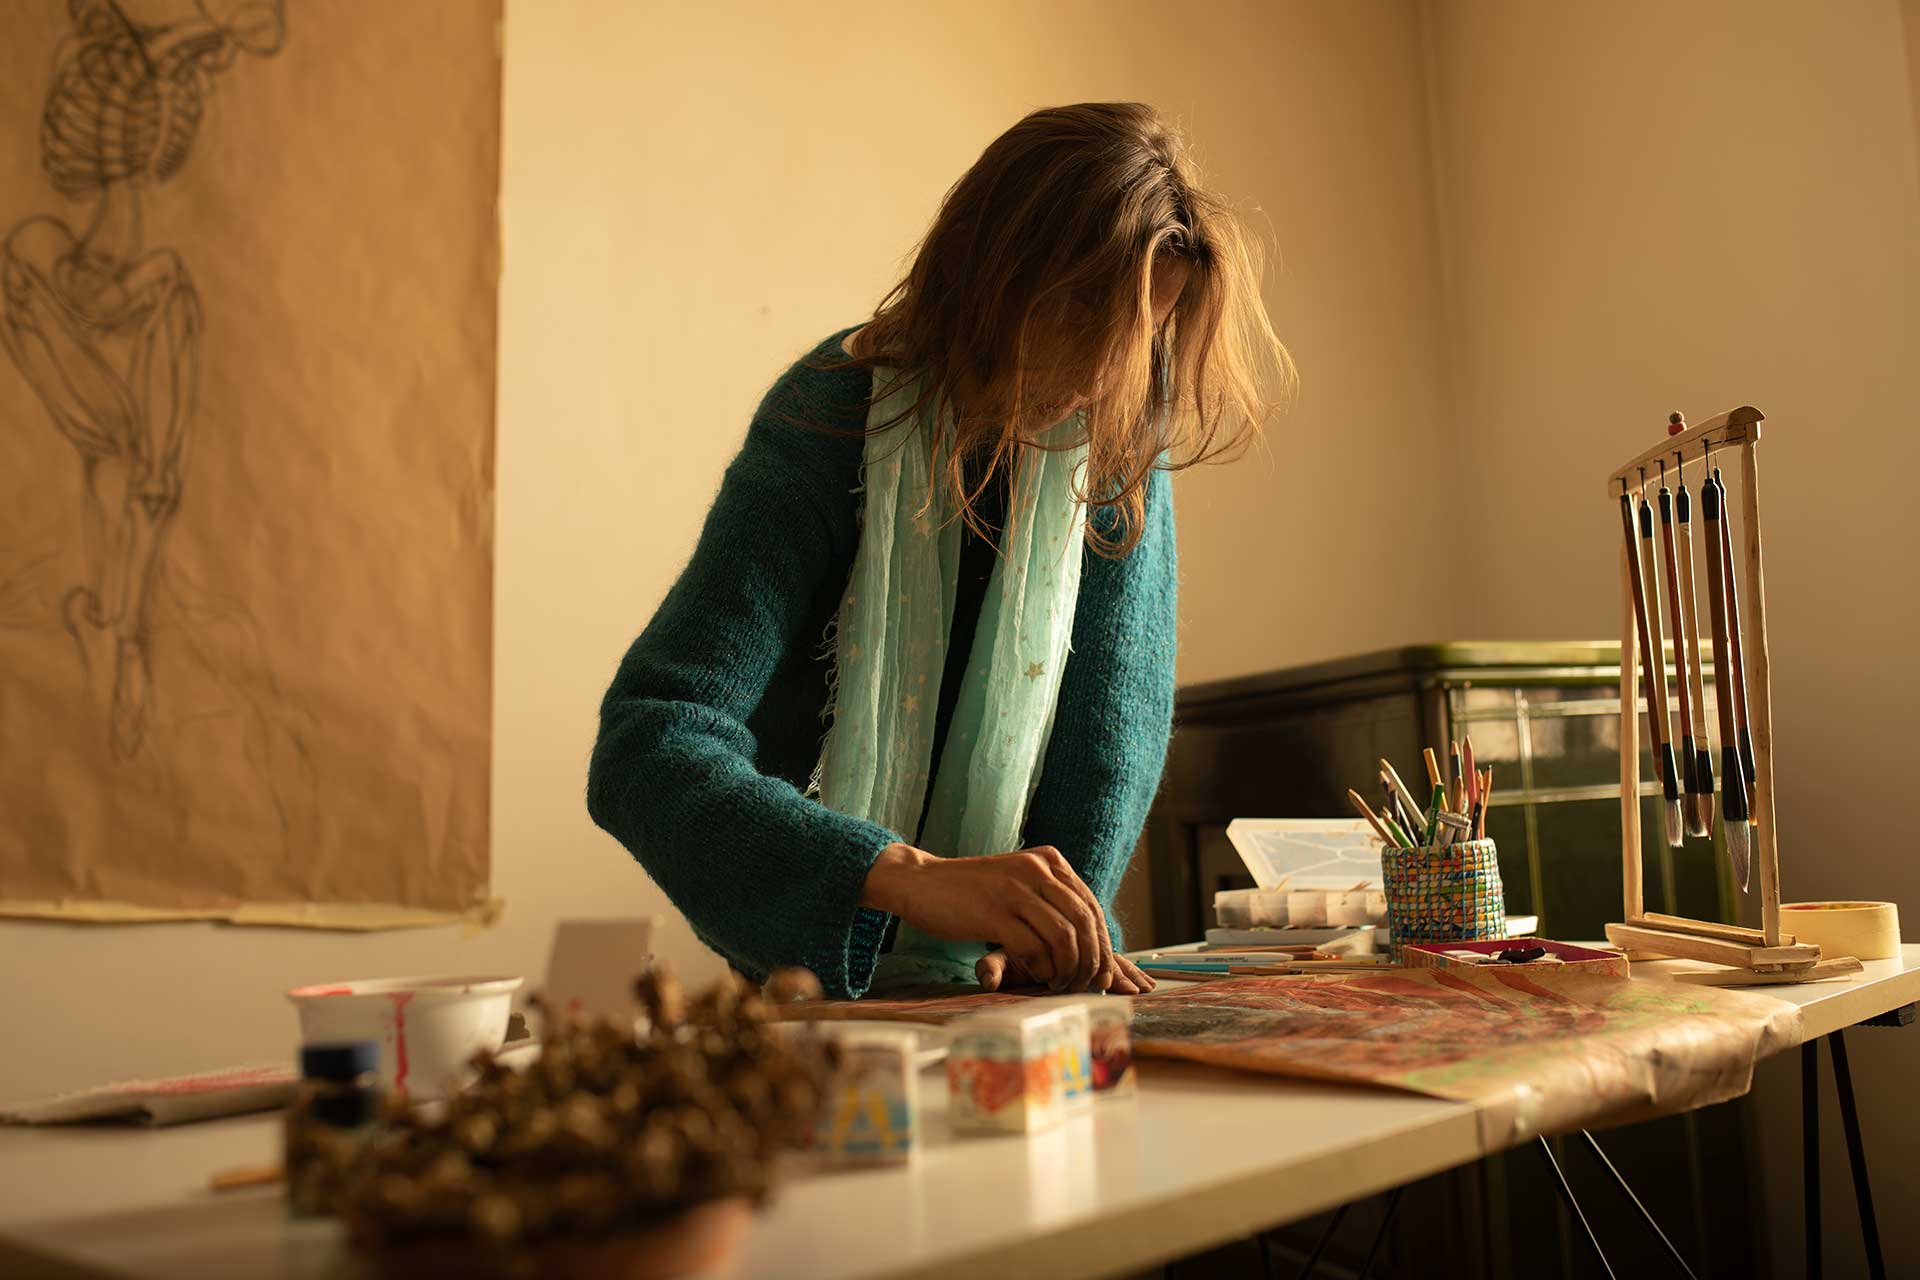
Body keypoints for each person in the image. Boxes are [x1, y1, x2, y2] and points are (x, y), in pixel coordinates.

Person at [588, 102, 1289, 999]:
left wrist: (1047, 937)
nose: (1103, 372)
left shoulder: (1115, 451)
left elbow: (1106, 753)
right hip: (812, 993)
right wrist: (903, 877)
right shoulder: (830, 416)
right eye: (1086, 316)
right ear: (992, 273)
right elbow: (650, 740)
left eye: (1140, 334)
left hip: (1012, 999)